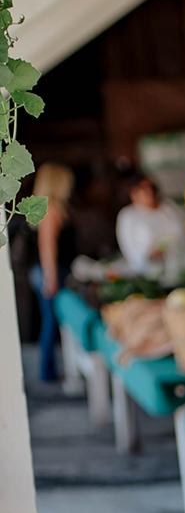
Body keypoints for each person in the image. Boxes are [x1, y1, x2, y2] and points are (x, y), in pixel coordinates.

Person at [29, 162, 76, 384]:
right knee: (51, 322)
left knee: (50, 321)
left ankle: (49, 370)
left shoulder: (45, 207)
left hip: (46, 271)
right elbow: (46, 245)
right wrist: (51, 277)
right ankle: (47, 372)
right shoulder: (52, 209)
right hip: (49, 272)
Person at [115, 174, 185, 274]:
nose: (149, 192)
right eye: (143, 189)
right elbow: (130, 252)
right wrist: (150, 256)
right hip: (148, 272)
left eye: (151, 187)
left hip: (181, 265)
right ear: (133, 193)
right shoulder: (128, 216)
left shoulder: (169, 207)